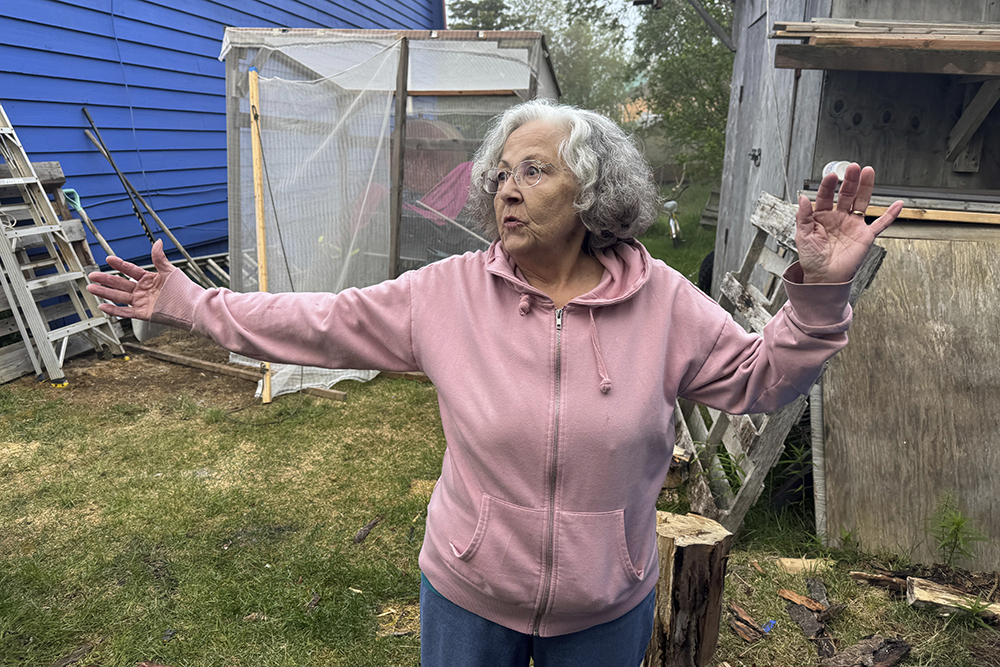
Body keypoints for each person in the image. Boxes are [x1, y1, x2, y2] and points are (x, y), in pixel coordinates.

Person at [87, 99, 903, 667]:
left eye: (536, 170)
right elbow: (320, 320)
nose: (506, 186)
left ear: (591, 193)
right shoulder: (445, 295)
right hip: (468, 594)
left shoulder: (663, 302)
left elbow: (761, 378)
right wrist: (193, 302)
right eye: (503, 172)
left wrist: (821, 292)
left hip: (604, 605)